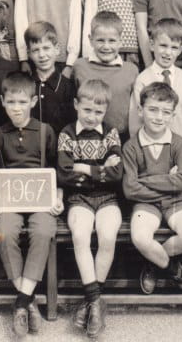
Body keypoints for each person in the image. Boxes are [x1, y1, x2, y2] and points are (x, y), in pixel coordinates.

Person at [0, 72, 63, 337]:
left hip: (41, 200)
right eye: (11, 102)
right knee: (5, 231)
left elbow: (57, 169)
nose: (16, 108)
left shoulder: (45, 131)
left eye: (22, 102)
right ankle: (27, 300)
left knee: (43, 230)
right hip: (10, 201)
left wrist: (58, 196)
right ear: (2, 102)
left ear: (33, 101)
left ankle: (20, 303)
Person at [57, 79, 123, 337]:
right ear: (76, 104)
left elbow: (116, 175)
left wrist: (83, 167)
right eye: (87, 110)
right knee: (80, 236)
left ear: (105, 111)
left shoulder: (110, 132)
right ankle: (95, 302)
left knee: (107, 236)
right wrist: (101, 169)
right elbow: (64, 174)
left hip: (108, 198)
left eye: (98, 112)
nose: (92, 117)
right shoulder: (67, 134)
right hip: (79, 199)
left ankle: (90, 301)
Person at [122, 82, 182, 295]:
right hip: (145, 204)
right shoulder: (131, 146)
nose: (159, 117)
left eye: (166, 112)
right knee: (140, 237)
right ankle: (172, 268)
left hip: (175, 202)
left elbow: (181, 183)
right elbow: (130, 189)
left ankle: (153, 262)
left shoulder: (179, 144)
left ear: (173, 115)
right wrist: (167, 180)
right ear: (140, 110)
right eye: (153, 110)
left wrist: (144, 180)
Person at [129, 18, 182, 144]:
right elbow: (136, 122)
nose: (168, 52)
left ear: (180, 50)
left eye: (174, 47)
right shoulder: (143, 80)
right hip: (151, 147)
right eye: (163, 46)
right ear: (152, 45)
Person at [73, 11, 140, 143]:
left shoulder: (131, 70)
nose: (106, 46)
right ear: (90, 40)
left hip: (121, 137)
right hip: (85, 137)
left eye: (112, 41)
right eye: (100, 40)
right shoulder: (80, 66)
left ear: (120, 41)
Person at [24, 21, 77, 134]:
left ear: (57, 49)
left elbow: (72, 125)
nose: (42, 55)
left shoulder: (68, 87)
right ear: (29, 53)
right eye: (36, 50)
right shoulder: (25, 85)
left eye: (46, 48)